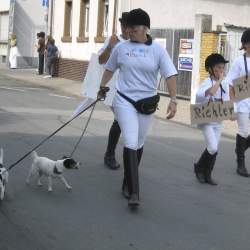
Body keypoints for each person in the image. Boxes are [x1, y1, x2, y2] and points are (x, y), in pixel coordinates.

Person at [98, 8, 177, 207]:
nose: (128, 31)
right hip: (124, 100)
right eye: (127, 28)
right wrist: (102, 87)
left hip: (147, 104)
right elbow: (109, 68)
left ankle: (127, 181)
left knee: (139, 143)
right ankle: (134, 192)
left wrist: (174, 99)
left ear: (144, 28)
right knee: (131, 141)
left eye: (132, 28)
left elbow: (170, 74)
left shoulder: (157, 50)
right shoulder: (121, 48)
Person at [98, 12, 129, 170]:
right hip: (113, 87)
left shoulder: (139, 42)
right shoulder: (113, 41)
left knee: (123, 121)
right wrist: (110, 47)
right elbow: (100, 60)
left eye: (129, 25)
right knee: (119, 119)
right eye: (123, 25)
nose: (125, 28)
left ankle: (118, 153)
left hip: (130, 89)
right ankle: (109, 155)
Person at [194, 53, 229, 185]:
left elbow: (226, 100)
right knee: (213, 147)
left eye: (223, 68)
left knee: (214, 148)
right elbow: (209, 93)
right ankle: (199, 168)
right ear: (210, 69)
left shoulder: (224, 84)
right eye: (218, 67)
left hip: (217, 120)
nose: (221, 70)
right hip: (206, 120)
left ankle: (207, 174)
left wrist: (231, 113)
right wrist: (219, 80)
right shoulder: (207, 82)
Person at [225, 29, 250, 177]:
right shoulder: (239, 61)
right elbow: (230, 84)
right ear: (245, 44)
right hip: (242, 102)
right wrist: (232, 106)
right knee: (243, 131)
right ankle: (241, 164)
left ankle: (240, 147)